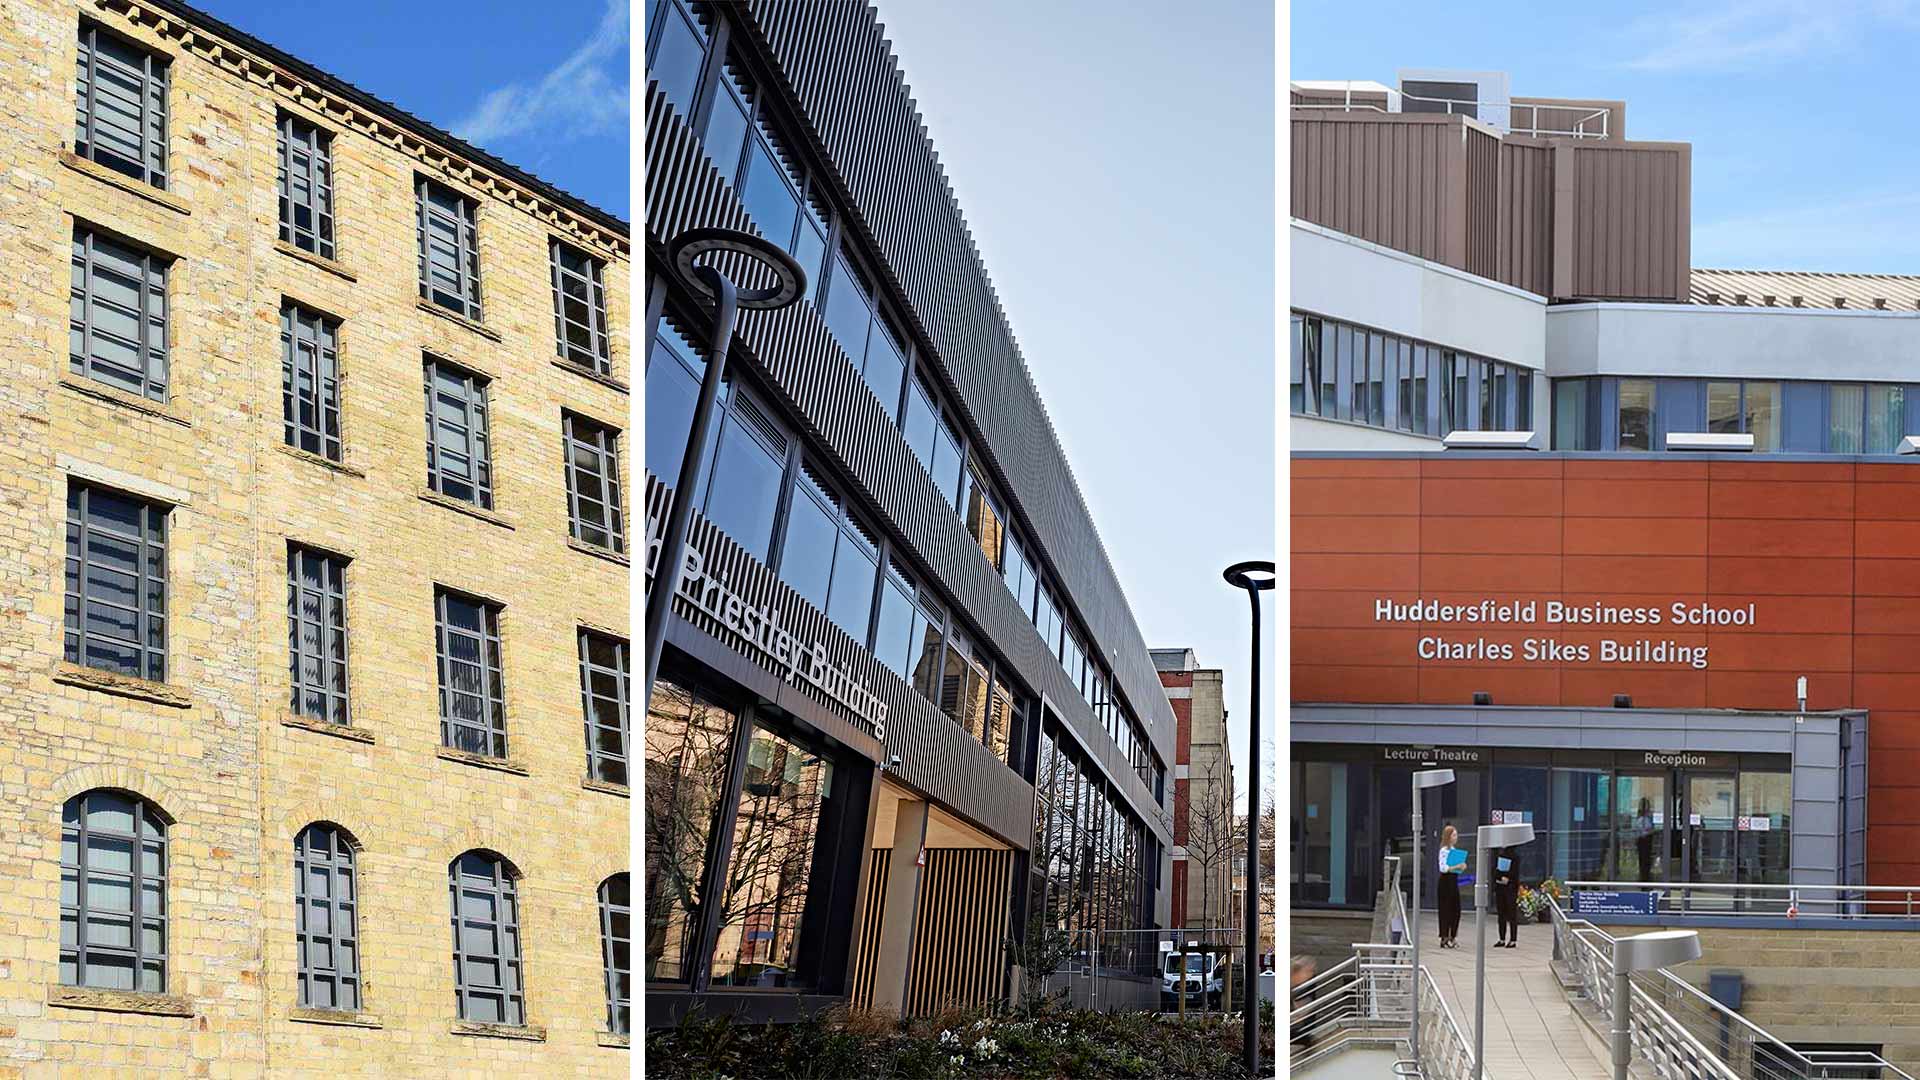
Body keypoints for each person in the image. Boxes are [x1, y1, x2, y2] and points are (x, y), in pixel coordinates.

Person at [1436, 824, 1463, 948]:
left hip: (1453, 881)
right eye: (1453, 835)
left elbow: (1456, 868)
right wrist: (1456, 866)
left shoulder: (1454, 850)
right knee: (1445, 910)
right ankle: (1444, 937)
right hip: (1445, 882)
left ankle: (1453, 935)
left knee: (1456, 909)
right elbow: (1443, 868)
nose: (1455, 837)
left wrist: (1461, 867)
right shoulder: (1444, 850)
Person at [1493, 847, 1520, 947]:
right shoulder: (1499, 855)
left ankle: (1513, 939)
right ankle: (1502, 938)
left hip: (1510, 888)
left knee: (1512, 914)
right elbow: (1495, 871)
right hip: (1500, 887)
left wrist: (1508, 879)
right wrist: (1500, 877)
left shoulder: (1515, 857)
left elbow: (1515, 874)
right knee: (1501, 914)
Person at [1634, 798, 1656, 882]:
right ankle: (1644, 879)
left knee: (1645, 861)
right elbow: (1642, 829)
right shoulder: (1643, 818)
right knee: (1644, 861)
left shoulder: (1646, 817)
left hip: (1645, 840)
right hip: (1643, 841)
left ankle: (1645, 878)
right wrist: (1650, 831)